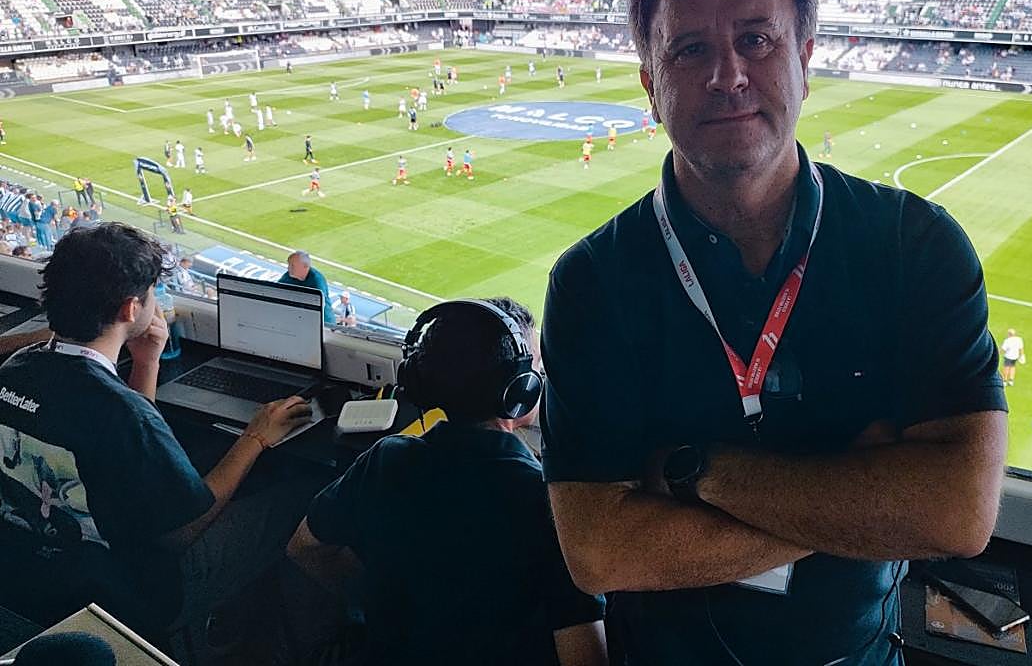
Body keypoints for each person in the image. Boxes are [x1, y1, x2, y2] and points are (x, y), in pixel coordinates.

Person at [539, 0, 1008, 666]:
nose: (728, 75)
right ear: (650, 86)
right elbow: (600, 552)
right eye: (690, 50)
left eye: (757, 40)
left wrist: (695, 474)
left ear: (806, 60)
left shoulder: (913, 244)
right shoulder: (593, 280)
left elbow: (957, 512)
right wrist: (871, 502)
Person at [0, 223, 314, 638]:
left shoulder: (16, 367)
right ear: (132, 309)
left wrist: (147, 363)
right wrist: (255, 437)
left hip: (27, 575)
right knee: (299, 497)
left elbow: (134, 452)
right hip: (121, 599)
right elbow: (183, 529)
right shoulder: (122, 413)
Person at [287, 297, 607, 666]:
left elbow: (303, 548)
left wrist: (375, 600)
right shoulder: (548, 505)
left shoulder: (385, 461)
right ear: (519, 389)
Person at [278, 250, 334, 324]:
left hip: (323, 323)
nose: (288, 268)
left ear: (305, 266)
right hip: (301, 319)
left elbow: (318, 306)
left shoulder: (317, 280)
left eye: (292, 265)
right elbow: (276, 290)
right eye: (289, 265)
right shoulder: (288, 276)